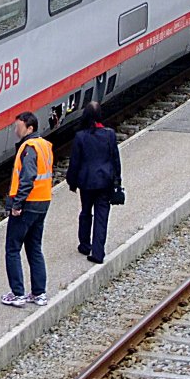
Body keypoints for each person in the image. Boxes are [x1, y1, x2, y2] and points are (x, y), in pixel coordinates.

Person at [2, 111, 54, 308]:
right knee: (34, 248)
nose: (16, 129)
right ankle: (39, 293)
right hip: (43, 201)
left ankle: (18, 294)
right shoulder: (44, 145)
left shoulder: (29, 147)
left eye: (19, 126)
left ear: (29, 127)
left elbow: (27, 177)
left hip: (28, 205)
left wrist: (17, 204)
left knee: (12, 249)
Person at [65, 100, 122, 265]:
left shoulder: (80, 137)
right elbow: (115, 160)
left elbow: (75, 163)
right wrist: (117, 180)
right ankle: (98, 252)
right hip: (105, 182)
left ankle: (84, 244)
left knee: (85, 212)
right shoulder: (110, 134)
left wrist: (72, 182)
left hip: (86, 182)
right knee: (101, 216)